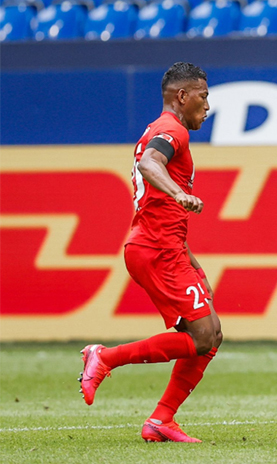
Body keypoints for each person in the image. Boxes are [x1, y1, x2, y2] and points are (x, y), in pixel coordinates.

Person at [78, 62, 222, 443]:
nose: (207, 106)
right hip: (156, 248)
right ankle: (104, 358)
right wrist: (180, 193)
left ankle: (161, 420)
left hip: (162, 245)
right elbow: (149, 163)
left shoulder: (156, 130)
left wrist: (193, 263)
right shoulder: (173, 130)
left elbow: (159, 206)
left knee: (210, 334)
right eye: (203, 96)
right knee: (202, 337)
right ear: (182, 96)